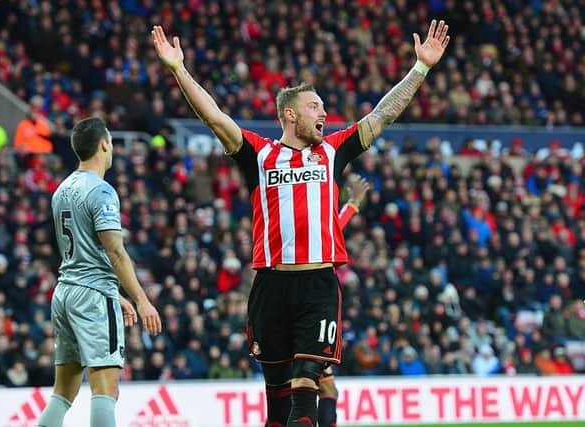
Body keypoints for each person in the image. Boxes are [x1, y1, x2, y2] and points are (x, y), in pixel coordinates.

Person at [151, 19, 449, 427]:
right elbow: (215, 119)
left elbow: (383, 115)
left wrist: (420, 69)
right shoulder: (259, 154)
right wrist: (178, 69)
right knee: (276, 401)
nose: (324, 112)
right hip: (271, 285)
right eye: (315, 107)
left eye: (323, 107)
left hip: (318, 286)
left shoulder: (333, 151)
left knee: (308, 382)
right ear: (289, 115)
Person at [37, 117, 162, 427]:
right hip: (91, 298)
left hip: (66, 293)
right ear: (105, 144)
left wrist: (113, 293)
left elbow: (81, 253)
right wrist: (141, 299)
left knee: (63, 391)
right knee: (106, 390)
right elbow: (115, 251)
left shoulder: (61, 190)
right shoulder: (102, 192)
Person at [317, 174, 370, 427]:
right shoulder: (320, 242)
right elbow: (335, 226)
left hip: (292, 313)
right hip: (315, 315)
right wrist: (353, 204)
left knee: (292, 390)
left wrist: (352, 205)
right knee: (322, 389)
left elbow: (335, 225)